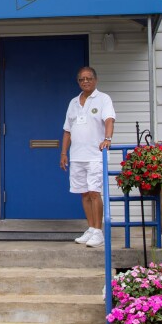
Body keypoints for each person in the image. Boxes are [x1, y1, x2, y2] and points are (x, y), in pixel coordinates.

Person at [60, 66, 115, 248]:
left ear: (95, 80)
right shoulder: (73, 102)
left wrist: (107, 138)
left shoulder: (103, 99)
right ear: (78, 82)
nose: (85, 81)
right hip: (77, 156)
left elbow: (109, 119)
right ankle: (91, 228)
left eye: (88, 78)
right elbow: (67, 130)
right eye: (82, 79)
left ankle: (99, 232)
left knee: (94, 192)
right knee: (83, 193)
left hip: (95, 156)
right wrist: (63, 153)